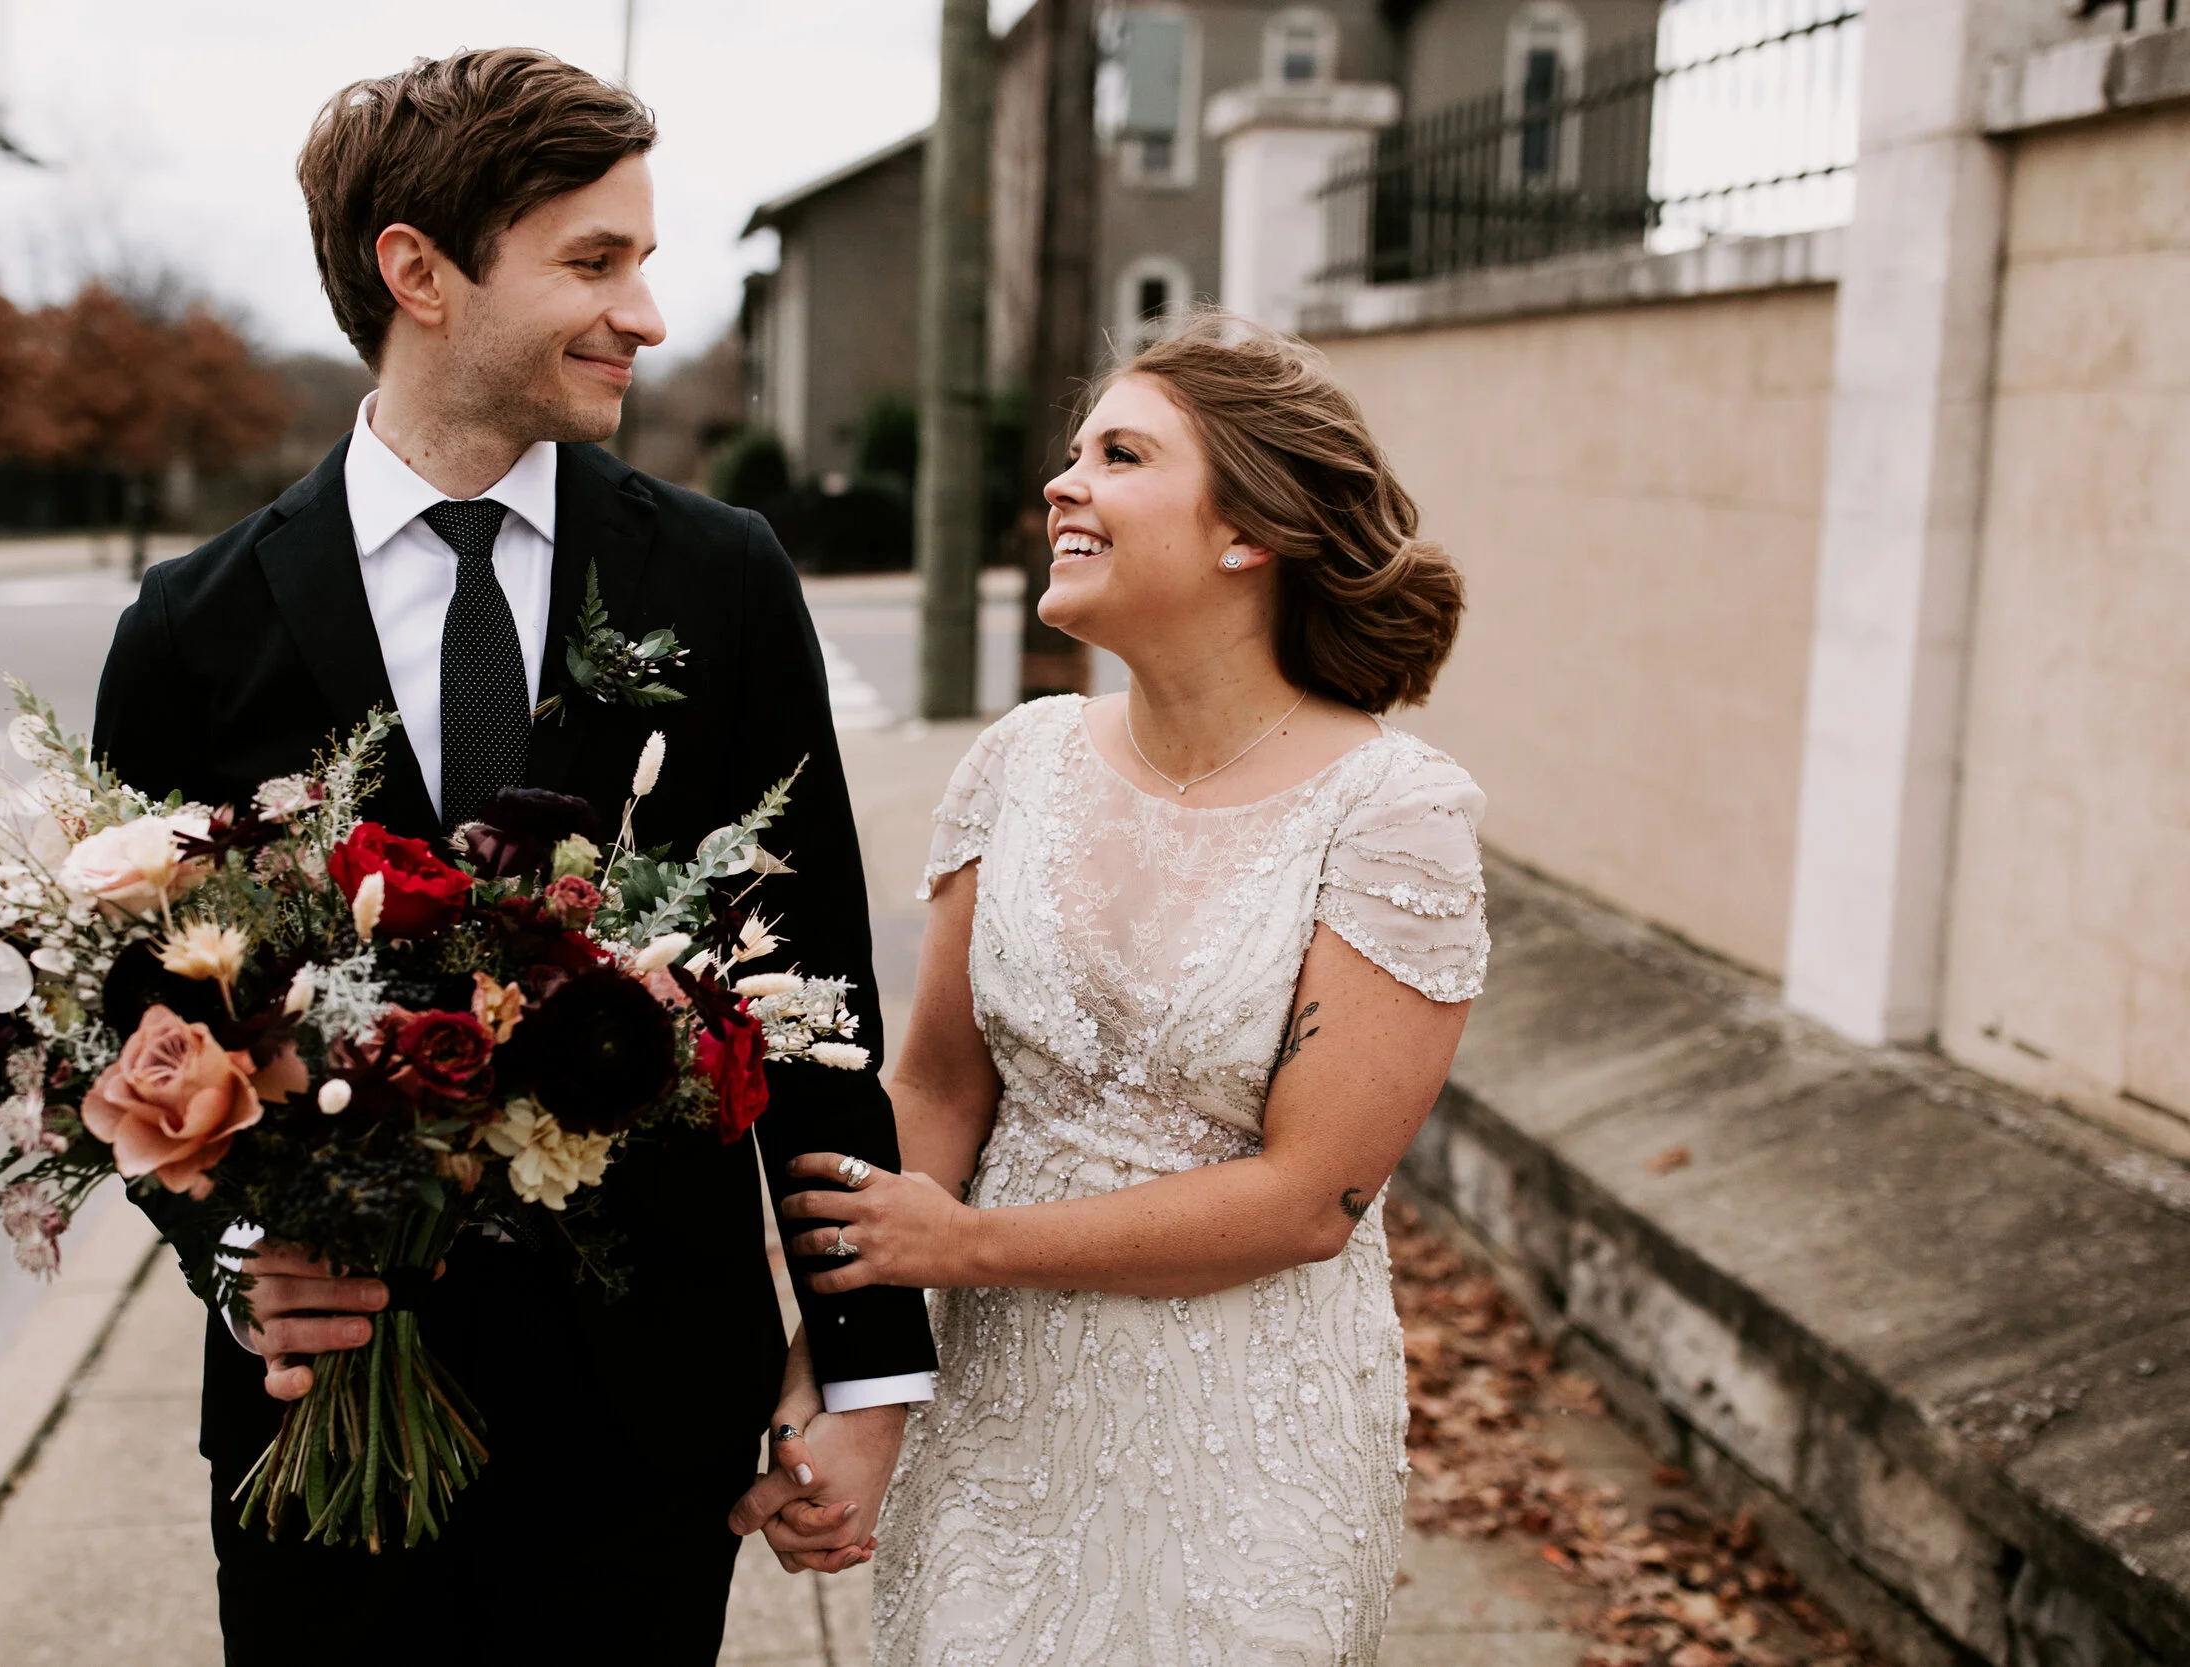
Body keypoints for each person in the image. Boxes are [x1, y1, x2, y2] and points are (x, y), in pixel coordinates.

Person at [92, 49, 933, 1662]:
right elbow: (133, 1036)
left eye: (643, 261)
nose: (648, 314)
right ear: (418, 270)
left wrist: (866, 1371)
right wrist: (250, 1255)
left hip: (647, 1421)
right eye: (594, 262)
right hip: (324, 1427)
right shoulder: (193, 628)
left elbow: (817, 996)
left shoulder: (724, 579)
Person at [751, 313, 1486, 1665]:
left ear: (1247, 529)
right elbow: (937, 1086)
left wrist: (962, 1248)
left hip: (1246, 1441)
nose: (1062, 484)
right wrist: (843, 1364)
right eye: (1074, 452)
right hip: (1000, 1422)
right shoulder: (1020, 761)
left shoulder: (1390, 814)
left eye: (1122, 454)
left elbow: (1308, 1196)